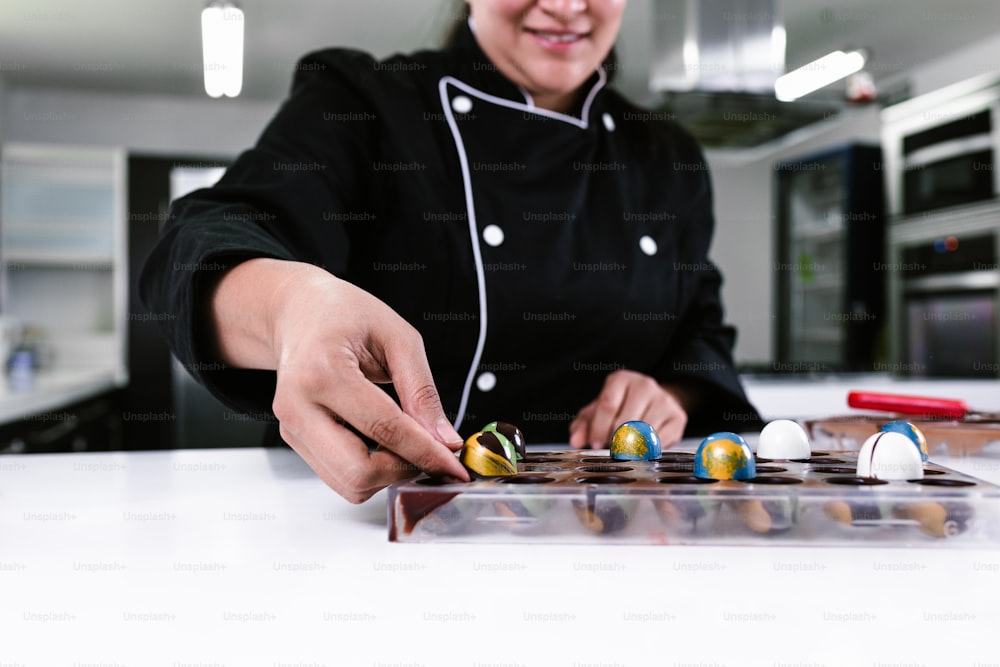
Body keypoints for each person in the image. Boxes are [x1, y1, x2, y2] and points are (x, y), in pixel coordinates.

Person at [139, 0, 762, 503]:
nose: (568, 6)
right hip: (372, 522)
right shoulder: (364, 103)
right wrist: (291, 308)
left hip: (607, 519)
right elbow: (200, 240)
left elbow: (700, 331)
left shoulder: (666, 157)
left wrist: (670, 397)